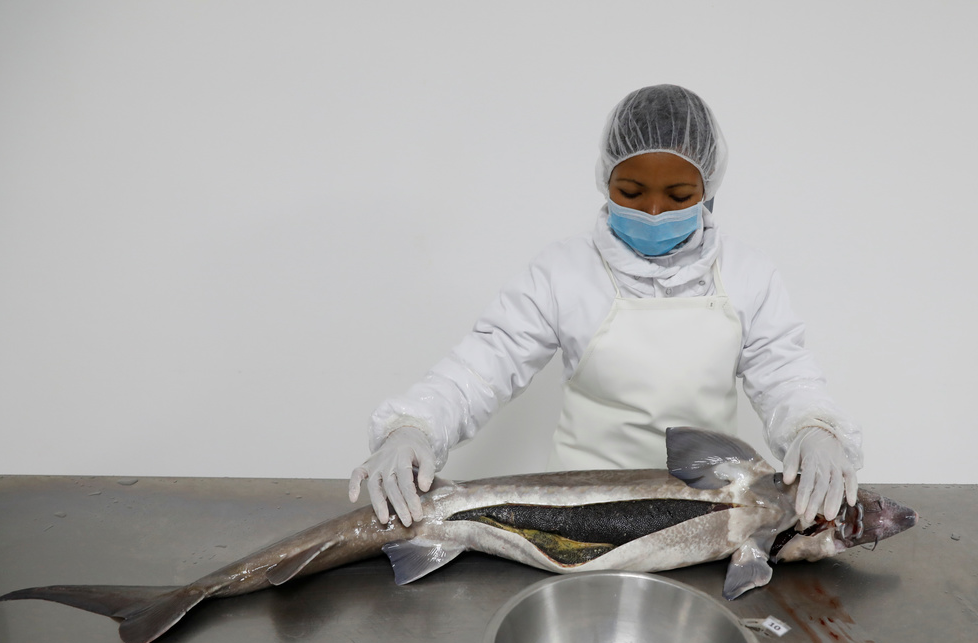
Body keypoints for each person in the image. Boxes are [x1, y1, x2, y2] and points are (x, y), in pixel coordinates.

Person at [350, 84, 862, 532]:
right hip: (577, 512)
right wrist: (413, 427)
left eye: (679, 195)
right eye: (631, 192)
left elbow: (784, 373)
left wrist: (814, 428)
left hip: (707, 515)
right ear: (605, 181)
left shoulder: (749, 275)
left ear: (709, 189)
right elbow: (483, 367)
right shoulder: (563, 272)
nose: (654, 212)